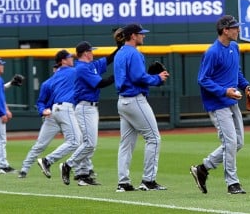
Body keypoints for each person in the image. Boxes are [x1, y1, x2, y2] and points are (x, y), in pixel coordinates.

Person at [190, 15, 250, 195]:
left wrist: (246, 86)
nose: (238, 30)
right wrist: (223, 91)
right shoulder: (212, 52)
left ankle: (203, 168)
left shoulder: (234, 46)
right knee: (230, 141)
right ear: (225, 30)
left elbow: (236, 72)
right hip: (217, 103)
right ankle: (232, 183)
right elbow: (202, 79)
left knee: (238, 142)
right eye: (235, 27)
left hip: (231, 100)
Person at [114, 23, 169, 192]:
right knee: (153, 138)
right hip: (135, 100)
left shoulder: (120, 53)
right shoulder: (133, 53)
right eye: (140, 34)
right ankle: (148, 180)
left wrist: (151, 77)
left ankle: (123, 182)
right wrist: (157, 78)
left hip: (122, 101)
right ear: (132, 36)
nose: (143, 36)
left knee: (126, 144)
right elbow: (138, 77)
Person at [59, 41, 116, 186]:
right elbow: (100, 83)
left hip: (91, 108)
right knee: (90, 143)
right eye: (91, 51)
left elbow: (109, 59)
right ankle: (68, 165)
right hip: (84, 107)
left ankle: (83, 175)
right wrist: (118, 75)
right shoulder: (82, 68)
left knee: (88, 143)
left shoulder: (91, 65)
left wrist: (120, 46)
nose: (93, 53)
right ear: (85, 53)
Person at [19, 50, 81, 179]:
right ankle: (24, 169)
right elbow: (40, 102)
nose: (57, 70)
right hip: (51, 117)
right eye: (56, 68)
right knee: (41, 145)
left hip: (65, 112)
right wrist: (42, 110)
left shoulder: (70, 77)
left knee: (77, 141)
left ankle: (79, 170)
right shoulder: (47, 83)